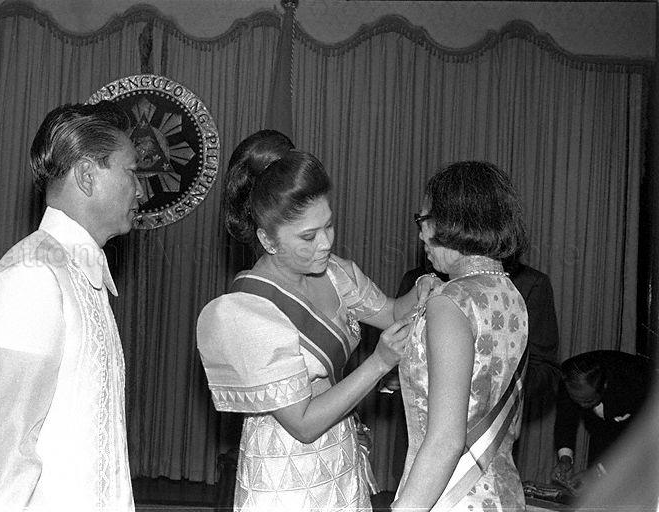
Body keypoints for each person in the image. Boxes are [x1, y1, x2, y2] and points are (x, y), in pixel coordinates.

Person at [196, 130, 433, 511]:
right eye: (308, 237)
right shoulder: (248, 310)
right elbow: (303, 424)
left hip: (341, 455)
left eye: (329, 225)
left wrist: (429, 283)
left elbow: (392, 312)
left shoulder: (334, 273)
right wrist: (380, 362)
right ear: (268, 240)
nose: (325, 243)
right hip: (284, 474)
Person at [0, 101, 144, 510]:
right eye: (131, 173)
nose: (140, 190)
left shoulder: (76, 270)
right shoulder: (31, 276)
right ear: (87, 175)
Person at [391, 160, 529, 511]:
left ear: (452, 220)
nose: (421, 234)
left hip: (450, 496)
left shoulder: (451, 302)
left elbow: (445, 442)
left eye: (424, 220)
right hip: (504, 491)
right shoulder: (511, 295)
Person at [551, 350, 653, 492]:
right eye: (576, 400)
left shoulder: (633, 387)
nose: (582, 406)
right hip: (602, 430)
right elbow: (565, 420)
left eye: (588, 401)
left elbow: (641, 439)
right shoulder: (568, 379)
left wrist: (597, 472)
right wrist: (565, 459)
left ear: (604, 386)